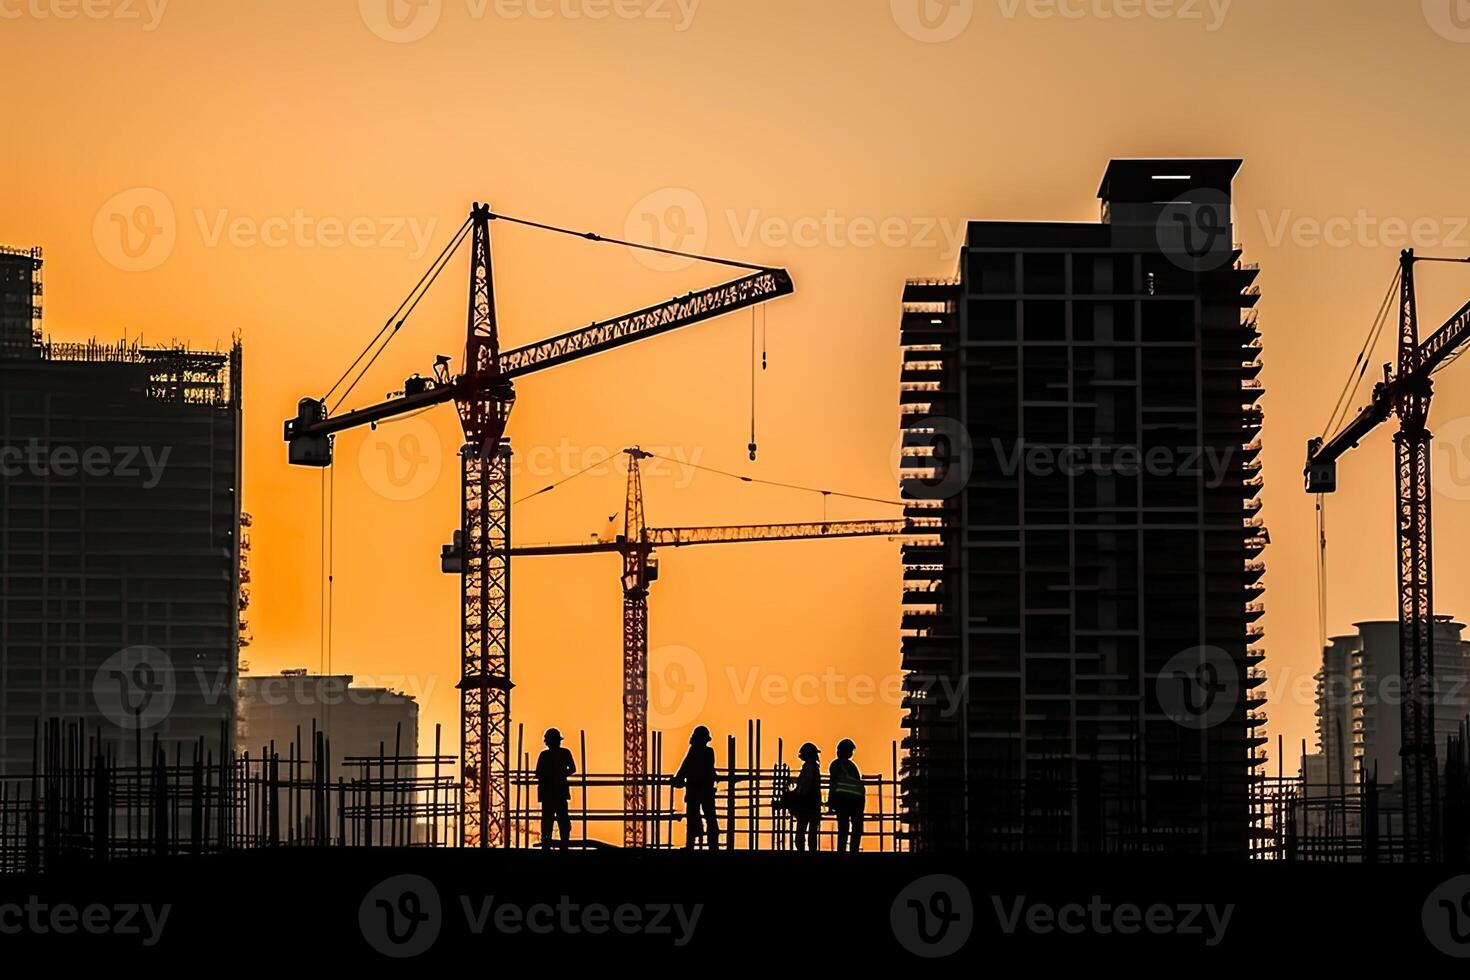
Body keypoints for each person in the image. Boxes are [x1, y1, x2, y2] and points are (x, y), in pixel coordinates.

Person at [673, 725, 720, 850]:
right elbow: (710, 771)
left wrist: (677, 780)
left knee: (695, 819)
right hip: (705, 792)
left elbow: (683, 770)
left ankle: (692, 846)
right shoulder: (708, 753)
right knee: (708, 818)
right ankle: (713, 847)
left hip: (696, 792)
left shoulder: (694, 752)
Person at [535, 727, 576, 849]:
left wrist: (551, 775)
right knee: (561, 818)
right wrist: (561, 774)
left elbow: (538, 773)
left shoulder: (545, 755)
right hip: (559, 792)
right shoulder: (564, 753)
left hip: (549, 793)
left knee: (549, 819)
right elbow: (572, 769)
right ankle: (564, 843)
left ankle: (547, 842)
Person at [827, 738, 865, 853]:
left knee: (843, 828)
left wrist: (831, 803)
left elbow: (833, 784)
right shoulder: (852, 766)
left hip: (843, 801)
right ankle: (853, 850)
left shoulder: (835, 765)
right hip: (856, 801)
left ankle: (842, 851)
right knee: (856, 829)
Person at [790, 742, 822, 852]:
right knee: (812, 833)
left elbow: (805, 787)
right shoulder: (814, 767)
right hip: (813, 804)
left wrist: (796, 796)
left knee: (801, 832)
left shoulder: (809, 767)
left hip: (806, 805)